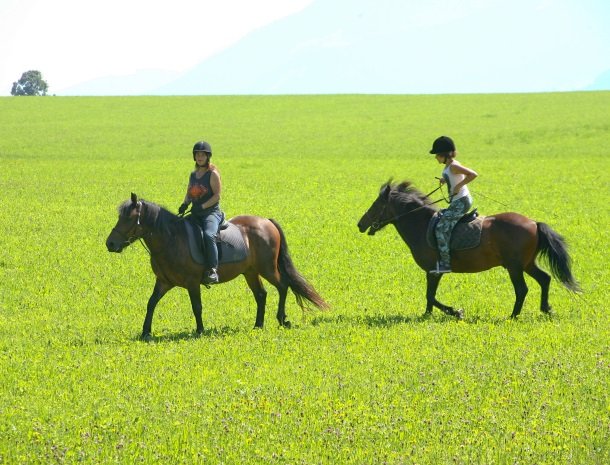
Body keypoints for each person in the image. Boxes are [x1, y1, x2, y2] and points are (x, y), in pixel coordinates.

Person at [429, 136, 478, 274]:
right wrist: (445, 180)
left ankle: (446, 264)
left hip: (461, 202)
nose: (435, 158)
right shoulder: (449, 166)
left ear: (444, 155)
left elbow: (473, 174)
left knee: (440, 228)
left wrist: (459, 186)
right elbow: (452, 175)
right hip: (457, 201)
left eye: (437, 155)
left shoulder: (454, 166)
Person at [178, 140, 223, 284]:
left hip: (211, 214)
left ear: (208, 157)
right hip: (196, 214)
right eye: (197, 154)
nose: (200, 157)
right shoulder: (193, 175)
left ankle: (213, 270)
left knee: (209, 235)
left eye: (203, 155)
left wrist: (202, 207)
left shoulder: (212, 174)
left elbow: (217, 196)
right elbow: (190, 192)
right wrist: (184, 204)